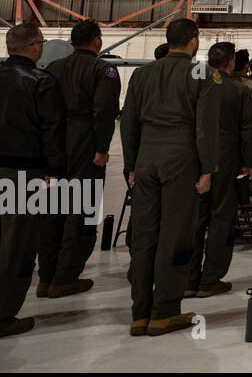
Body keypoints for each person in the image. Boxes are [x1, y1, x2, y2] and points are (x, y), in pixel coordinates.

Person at [120, 18, 215, 337]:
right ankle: (164, 310)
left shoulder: (142, 73)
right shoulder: (200, 72)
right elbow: (205, 126)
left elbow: (128, 122)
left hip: (146, 157)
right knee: (176, 233)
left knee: (145, 234)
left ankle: (139, 312)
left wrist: (131, 164)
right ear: (193, 40)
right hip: (181, 156)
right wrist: (207, 168)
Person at [38, 19, 119, 299]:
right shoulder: (102, 69)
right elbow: (104, 111)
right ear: (96, 40)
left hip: (56, 142)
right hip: (85, 141)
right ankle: (65, 277)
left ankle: (46, 276)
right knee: (81, 209)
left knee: (52, 209)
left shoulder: (53, 69)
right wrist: (101, 147)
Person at [0, 23, 65, 339]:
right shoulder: (42, 82)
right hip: (22, 176)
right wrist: (55, 171)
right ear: (35, 46)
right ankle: (3, 316)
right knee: (17, 246)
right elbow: (51, 129)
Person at [187, 42, 252, 298]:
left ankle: (189, 277)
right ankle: (211, 278)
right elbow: (248, 129)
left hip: (196, 156)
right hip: (227, 158)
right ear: (231, 63)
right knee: (221, 218)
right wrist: (249, 162)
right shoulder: (239, 90)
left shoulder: (196, 85)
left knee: (195, 219)